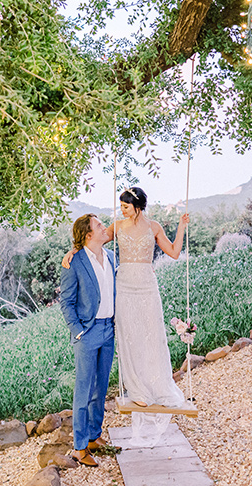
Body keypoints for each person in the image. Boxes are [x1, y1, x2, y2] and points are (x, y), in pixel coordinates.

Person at [62, 187, 189, 414]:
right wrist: (73, 251)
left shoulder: (154, 227)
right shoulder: (118, 226)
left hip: (147, 286)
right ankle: (137, 390)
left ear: (138, 206)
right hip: (125, 287)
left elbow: (174, 252)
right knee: (130, 336)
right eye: (120, 206)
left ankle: (157, 385)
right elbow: (92, 240)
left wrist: (181, 227)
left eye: (125, 206)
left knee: (152, 334)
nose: (121, 210)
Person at [59, 213, 117, 467]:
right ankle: (79, 448)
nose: (105, 227)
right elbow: (67, 301)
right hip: (88, 332)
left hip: (109, 330)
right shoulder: (74, 262)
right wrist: (78, 330)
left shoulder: (112, 257)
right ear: (87, 234)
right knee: (83, 391)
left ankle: (94, 436)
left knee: (101, 388)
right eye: (99, 225)